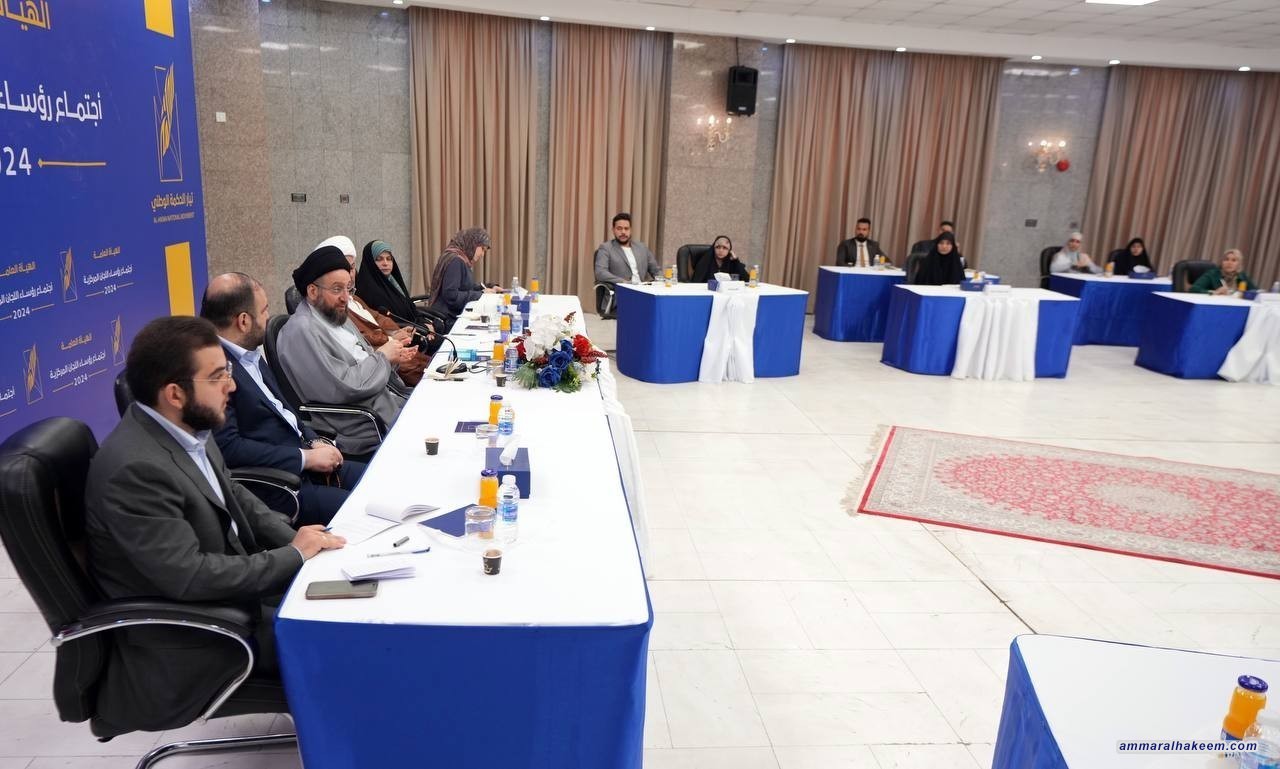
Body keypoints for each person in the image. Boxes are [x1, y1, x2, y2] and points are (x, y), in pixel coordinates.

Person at [85, 316, 345, 730]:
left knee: (355, 597)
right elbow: (191, 577)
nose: (232, 386)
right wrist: (293, 556)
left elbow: (236, 495)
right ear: (175, 393)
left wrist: (300, 543)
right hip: (203, 637)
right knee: (354, 643)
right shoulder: (135, 470)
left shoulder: (185, 429)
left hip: (235, 598)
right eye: (218, 376)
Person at [200, 272, 367, 526]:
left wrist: (315, 441)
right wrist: (304, 458)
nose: (268, 317)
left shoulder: (249, 353)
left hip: (308, 461)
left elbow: (285, 410)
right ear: (243, 321)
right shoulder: (213, 369)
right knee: (367, 514)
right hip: (280, 485)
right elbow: (230, 449)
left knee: (381, 480)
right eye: (264, 310)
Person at [277, 245, 410, 460]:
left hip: (385, 402)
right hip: (362, 423)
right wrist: (384, 357)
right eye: (337, 289)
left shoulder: (336, 316)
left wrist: (393, 358)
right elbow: (346, 387)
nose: (346, 298)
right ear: (312, 291)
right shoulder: (301, 331)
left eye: (349, 289)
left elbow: (366, 359)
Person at [427, 227, 501, 325]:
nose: (482, 254)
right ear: (473, 244)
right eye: (482, 249)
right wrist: (481, 293)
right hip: (447, 319)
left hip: (454, 314)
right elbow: (451, 296)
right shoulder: (456, 261)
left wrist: (488, 287)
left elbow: (465, 286)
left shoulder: (462, 259)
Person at [1190, 248, 1257, 294]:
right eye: (1226, 259)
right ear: (1222, 262)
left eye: (1233, 260)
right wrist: (1214, 292)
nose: (1229, 263)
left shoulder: (1241, 276)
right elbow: (1194, 289)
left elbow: (1255, 291)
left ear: (1239, 264)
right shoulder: (1213, 274)